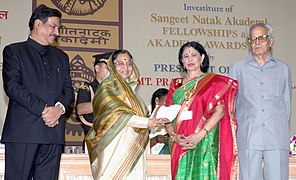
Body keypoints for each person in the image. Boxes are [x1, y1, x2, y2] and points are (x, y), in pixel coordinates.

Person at [1, 4, 74, 180]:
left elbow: (68, 91)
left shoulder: (61, 57)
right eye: (53, 26)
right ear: (38, 24)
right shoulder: (14, 51)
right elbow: (12, 86)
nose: (56, 32)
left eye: (58, 28)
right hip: (23, 132)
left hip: (54, 133)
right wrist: (44, 110)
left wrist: (59, 109)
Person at [85, 49, 167, 179]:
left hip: (134, 146)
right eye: (120, 63)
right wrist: (146, 122)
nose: (126, 67)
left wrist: (155, 119)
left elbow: (143, 116)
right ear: (112, 66)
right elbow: (117, 114)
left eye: (129, 63)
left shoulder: (133, 93)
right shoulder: (107, 87)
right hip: (115, 146)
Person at [164, 41, 238, 180]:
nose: (190, 59)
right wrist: (173, 136)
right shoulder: (176, 85)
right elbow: (167, 116)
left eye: (194, 55)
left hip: (204, 141)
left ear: (202, 58)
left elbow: (220, 111)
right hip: (181, 142)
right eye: (186, 56)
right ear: (182, 61)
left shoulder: (212, 83)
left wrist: (199, 135)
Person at [229, 23, 292, 180]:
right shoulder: (237, 68)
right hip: (249, 136)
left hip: (276, 137)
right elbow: (232, 106)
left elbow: (287, 105)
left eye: (261, 38)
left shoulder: (283, 68)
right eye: (253, 39)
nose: (257, 42)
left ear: (270, 41)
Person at [76, 52, 112, 136]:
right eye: (107, 68)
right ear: (97, 68)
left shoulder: (116, 89)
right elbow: (80, 109)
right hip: (93, 137)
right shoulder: (87, 88)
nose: (110, 72)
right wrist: (107, 103)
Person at [149, 88, 170, 154]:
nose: (169, 104)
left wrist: (167, 140)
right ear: (157, 100)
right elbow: (139, 145)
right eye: (166, 101)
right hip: (150, 157)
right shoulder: (146, 118)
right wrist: (155, 140)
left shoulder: (173, 116)